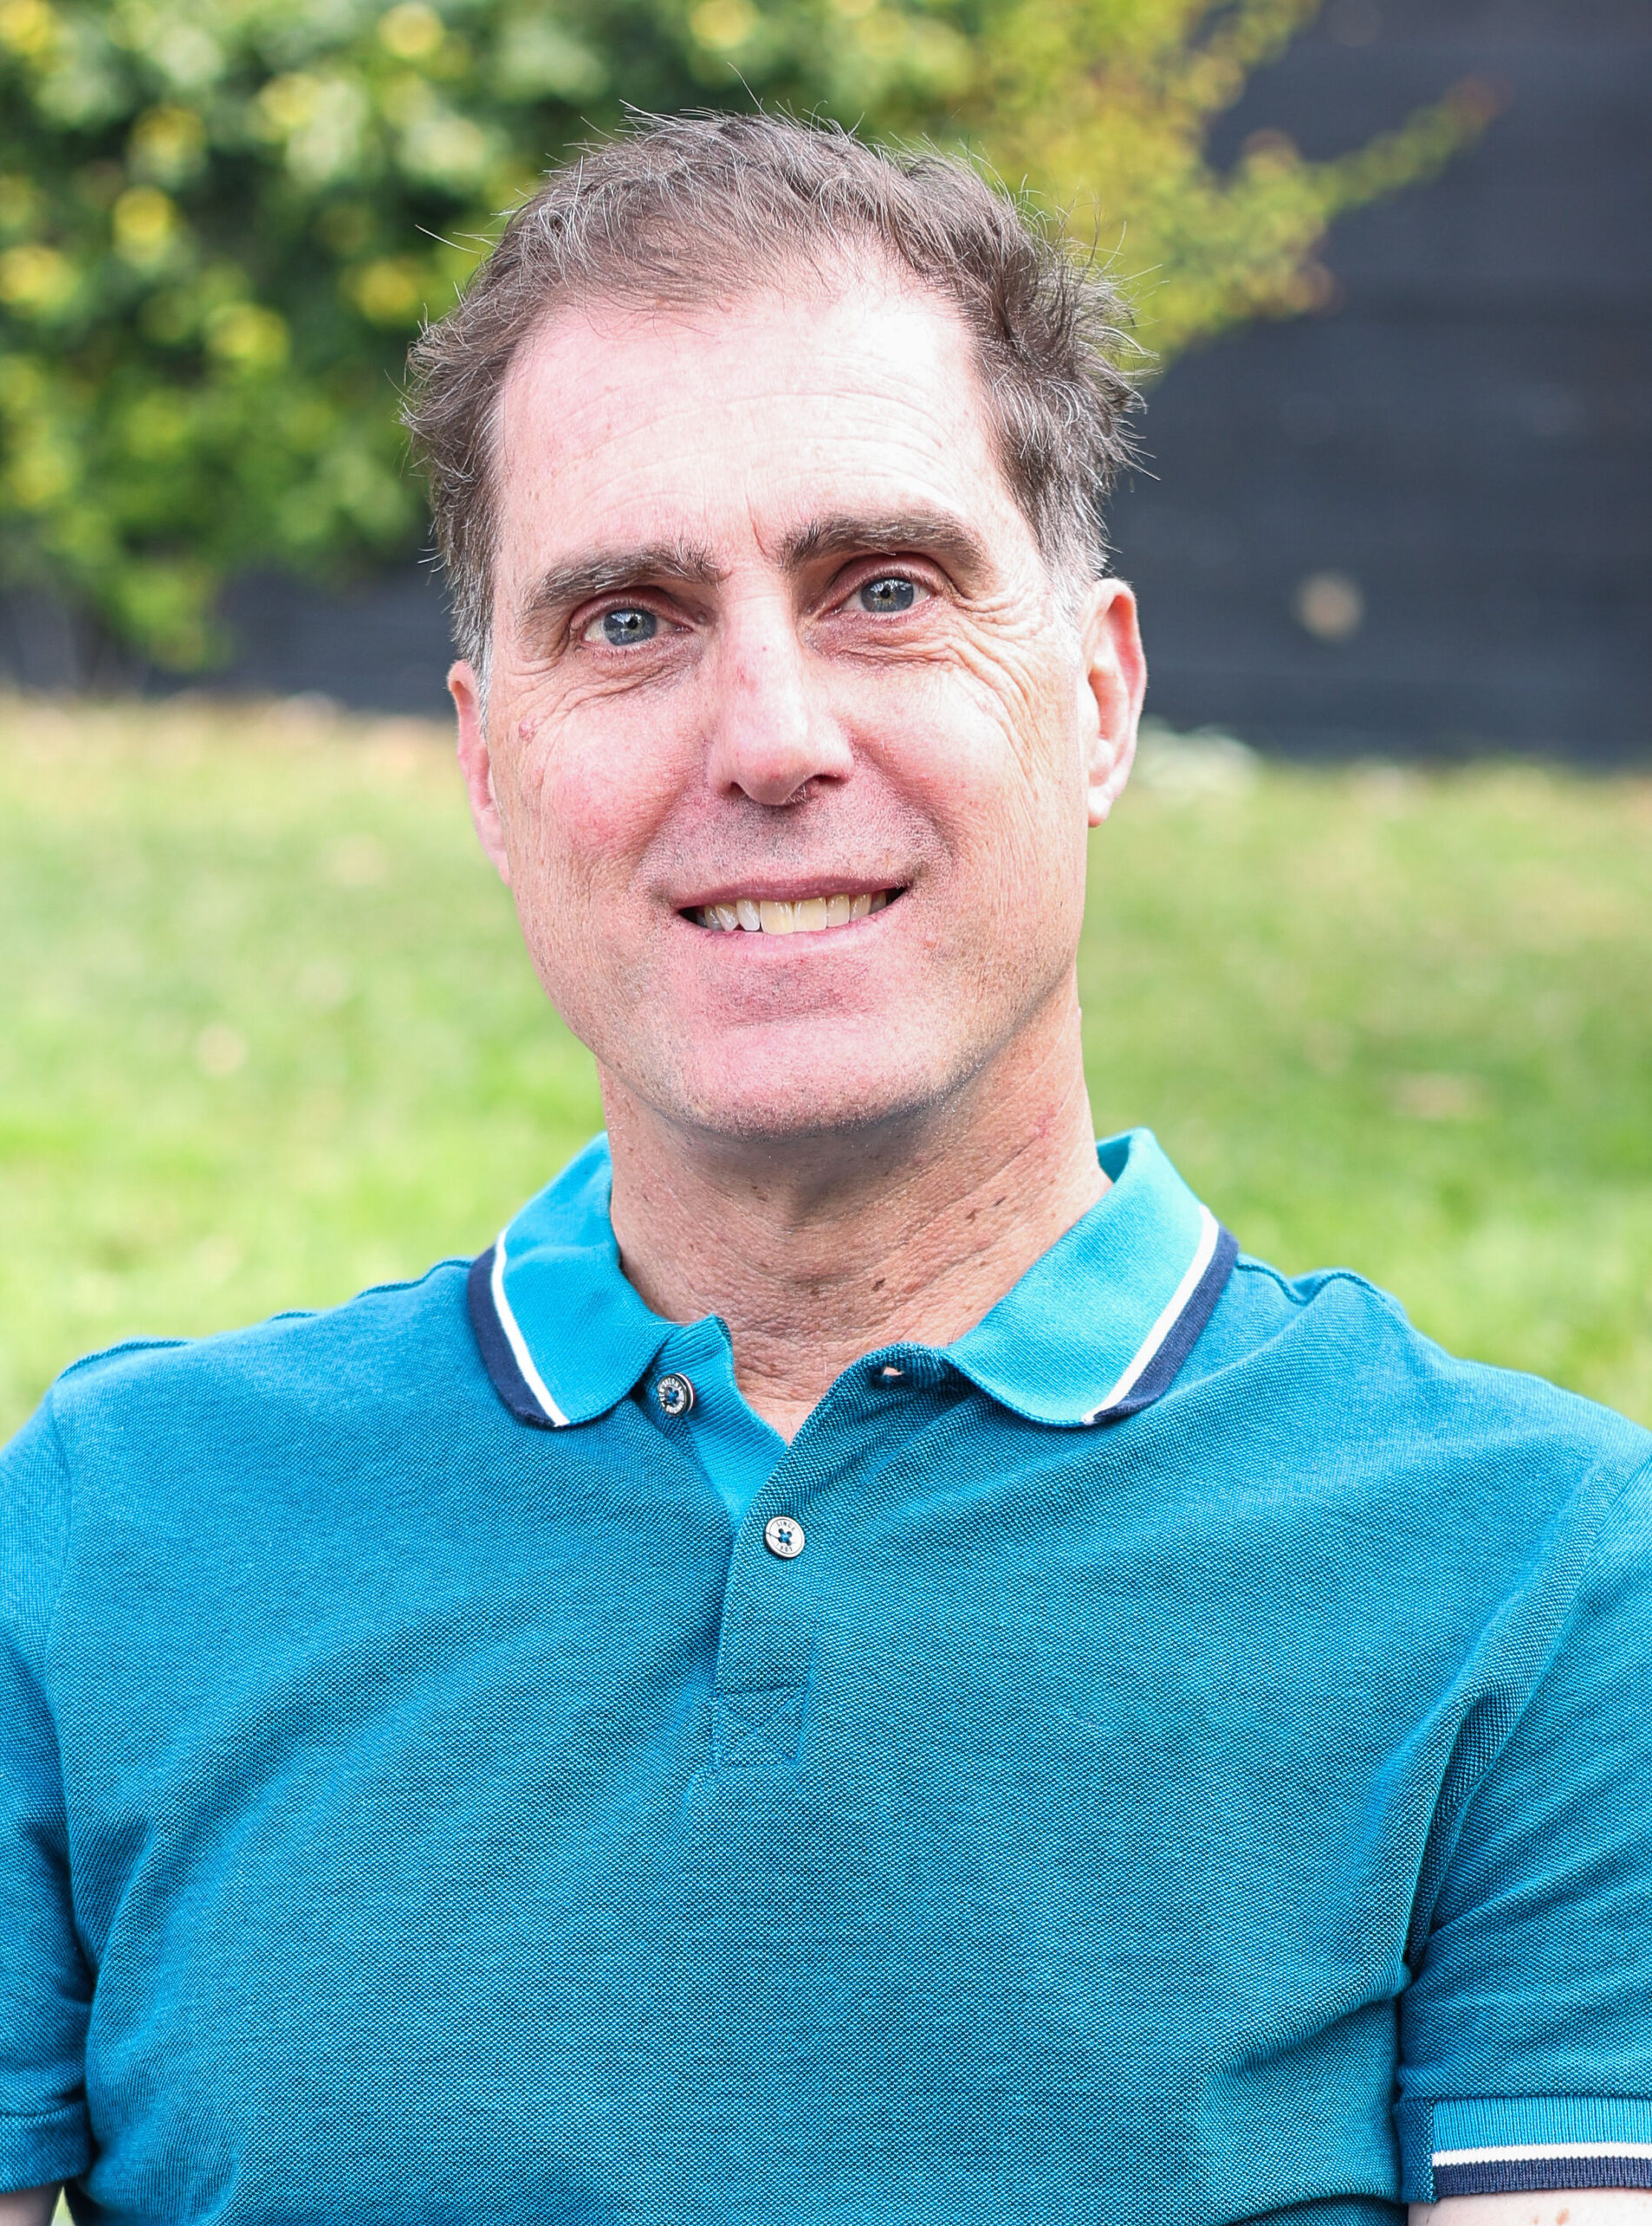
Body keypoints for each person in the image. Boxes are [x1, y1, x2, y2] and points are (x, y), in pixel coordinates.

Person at [3, 111, 1649, 2226]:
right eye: (626, 619)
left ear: (1095, 697)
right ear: (489, 768)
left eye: (883, 589)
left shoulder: (1539, 1578)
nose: (769, 735)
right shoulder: (112, 1528)